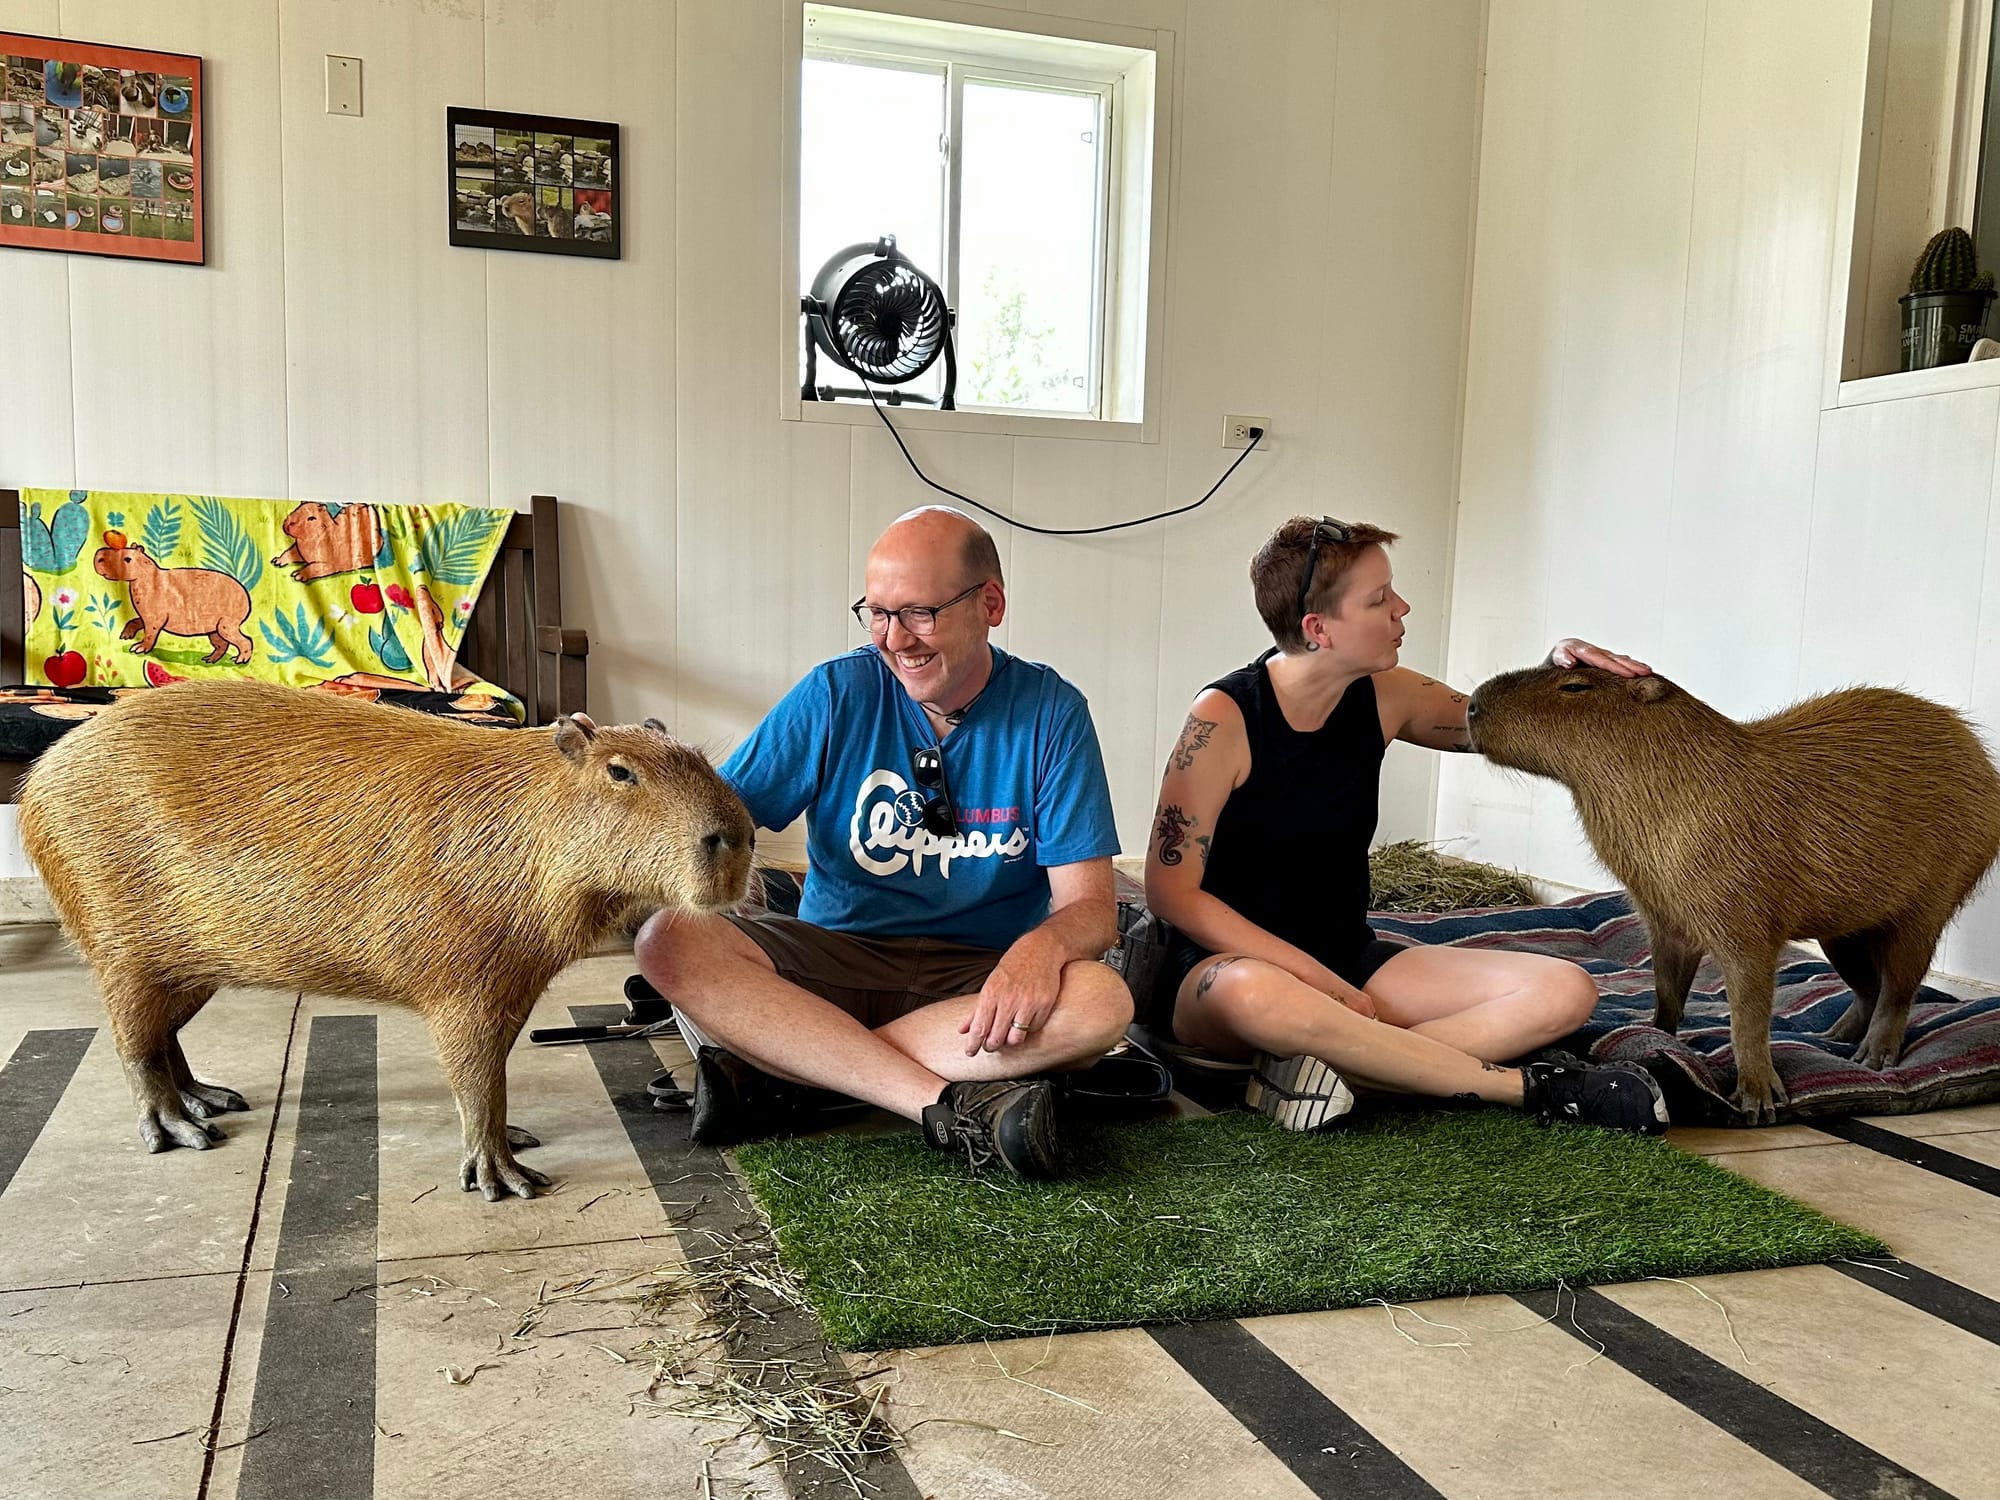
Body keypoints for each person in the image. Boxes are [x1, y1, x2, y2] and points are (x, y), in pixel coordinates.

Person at [634, 506, 1132, 1179]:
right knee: (667, 940)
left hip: (977, 983)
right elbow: (716, 823)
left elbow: (1092, 910)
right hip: (837, 960)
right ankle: (939, 1102)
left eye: (920, 613)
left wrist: (1039, 951)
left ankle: (794, 1073)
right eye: (878, 614)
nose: (896, 640)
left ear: (991, 604)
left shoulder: (1051, 712)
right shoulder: (836, 693)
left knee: (1103, 1002)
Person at [1142, 515, 1669, 1134]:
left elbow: (1493, 724)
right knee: (1258, 994)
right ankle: (1524, 1089)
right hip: (1221, 971)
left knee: (1567, 990)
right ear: (1319, 629)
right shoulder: (1224, 716)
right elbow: (1170, 891)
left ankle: (1319, 1075)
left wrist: (1560, 675)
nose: (1402, 608)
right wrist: (1322, 988)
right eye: (1378, 599)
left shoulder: (1387, 692)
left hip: (1348, 956)